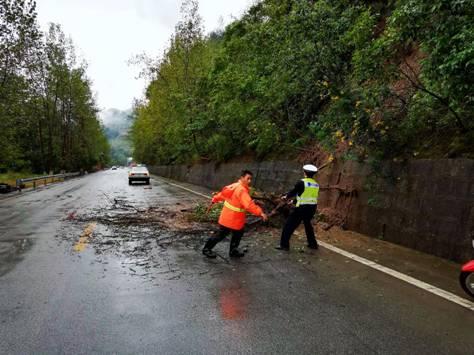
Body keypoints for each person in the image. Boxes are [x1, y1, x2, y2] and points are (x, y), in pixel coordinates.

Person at [203, 170, 268, 258]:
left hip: (229, 217)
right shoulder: (242, 190)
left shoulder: (233, 186)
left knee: (236, 233)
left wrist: (215, 199)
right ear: (242, 178)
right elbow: (249, 205)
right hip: (233, 219)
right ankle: (207, 249)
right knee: (222, 234)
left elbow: (222, 194)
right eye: (248, 178)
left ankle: (232, 251)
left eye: (250, 179)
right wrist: (260, 213)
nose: (250, 181)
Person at [276, 164, 319, 251]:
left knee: (289, 225)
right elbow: (306, 195)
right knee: (308, 225)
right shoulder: (316, 184)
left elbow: (294, 192)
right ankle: (313, 244)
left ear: (304, 172)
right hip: (311, 209)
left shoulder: (301, 182)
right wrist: (294, 201)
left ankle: (284, 245)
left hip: (301, 209)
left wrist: (286, 197)